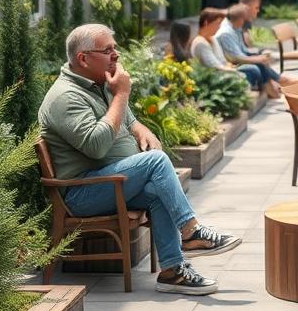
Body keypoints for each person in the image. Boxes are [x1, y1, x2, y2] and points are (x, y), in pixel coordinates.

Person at [37, 24, 240, 296]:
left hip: (110, 182)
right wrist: (122, 94)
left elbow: (128, 119)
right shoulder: (66, 97)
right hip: (82, 192)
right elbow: (96, 146)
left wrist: (141, 129)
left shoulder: (100, 82)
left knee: (158, 192)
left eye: (115, 47)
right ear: (83, 58)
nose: (116, 55)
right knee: (156, 162)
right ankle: (191, 232)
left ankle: (172, 271)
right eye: (107, 50)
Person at [215, 3, 290, 96]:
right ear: (240, 19)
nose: (245, 23)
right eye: (244, 20)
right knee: (258, 63)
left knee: (260, 60)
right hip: (229, 65)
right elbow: (234, 58)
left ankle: (275, 83)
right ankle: (275, 87)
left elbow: (242, 50)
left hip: (235, 61)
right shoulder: (226, 33)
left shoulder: (234, 27)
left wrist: (258, 57)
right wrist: (257, 59)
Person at [190, 8, 266, 92]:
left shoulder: (212, 38)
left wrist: (230, 66)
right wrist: (234, 70)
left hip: (224, 70)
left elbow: (222, 60)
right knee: (250, 72)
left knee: (253, 68)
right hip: (214, 77)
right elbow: (214, 66)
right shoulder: (200, 43)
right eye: (217, 24)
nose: (218, 27)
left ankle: (255, 91)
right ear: (206, 23)